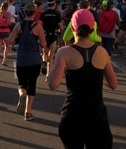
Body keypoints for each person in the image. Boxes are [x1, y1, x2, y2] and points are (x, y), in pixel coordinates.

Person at [48, 9, 117, 149]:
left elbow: (53, 84)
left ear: (73, 27)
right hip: (97, 118)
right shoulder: (102, 52)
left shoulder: (64, 52)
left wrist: (53, 65)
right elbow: (113, 84)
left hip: (72, 117)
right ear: (92, 29)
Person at [8, 3, 47, 121]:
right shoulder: (38, 26)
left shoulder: (19, 25)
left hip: (21, 60)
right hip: (34, 59)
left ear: (24, 12)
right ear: (34, 13)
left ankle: (21, 95)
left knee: (21, 84)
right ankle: (28, 111)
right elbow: (44, 44)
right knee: (32, 85)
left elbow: (10, 40)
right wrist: (39, 44)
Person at [40, 0, 63, 78]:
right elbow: (60, 26)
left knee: (44, 53)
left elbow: (39, 24)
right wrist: (60, 31)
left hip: (45, 35)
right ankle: (48, 75)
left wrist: (42, 31)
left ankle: (43, 61)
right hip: (53, 35)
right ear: (54, 4)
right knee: (51, 55)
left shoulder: (43, 14)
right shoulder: (57, 13)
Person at [0, 1, 13, 68]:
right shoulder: (8, 14)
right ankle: (4, 60)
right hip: (5, 31)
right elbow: (9, 22)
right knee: (7, 46)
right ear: (7, 7)